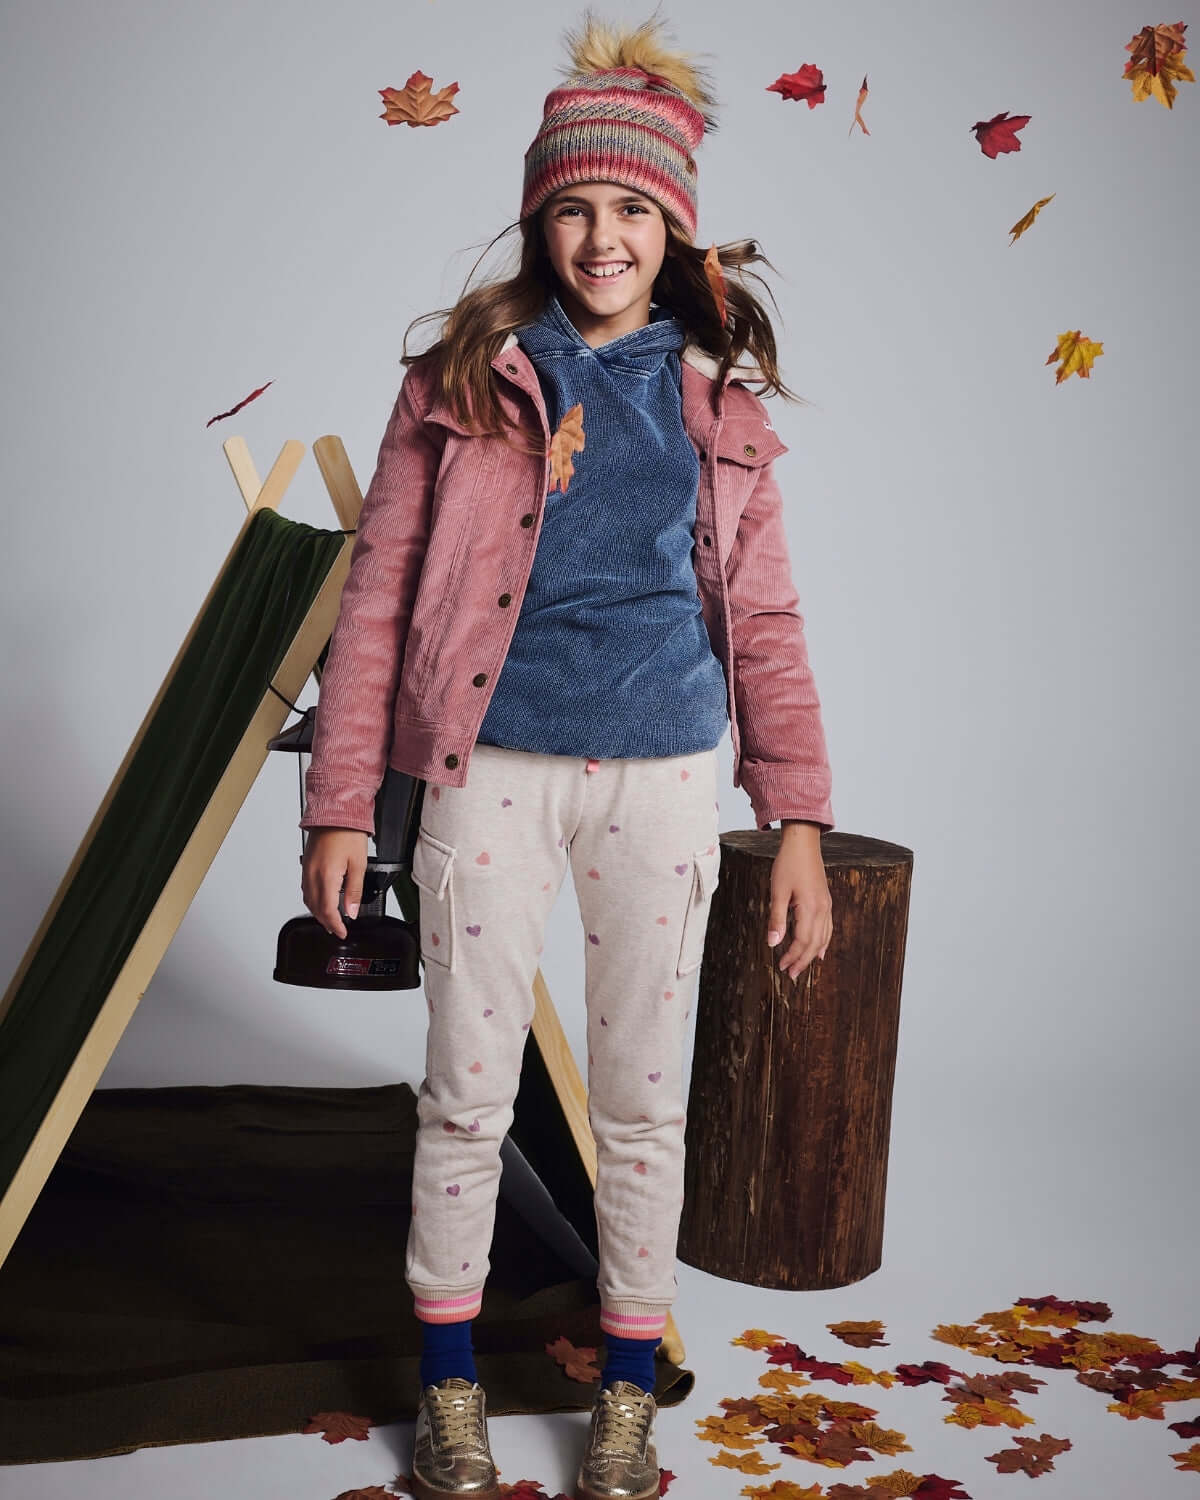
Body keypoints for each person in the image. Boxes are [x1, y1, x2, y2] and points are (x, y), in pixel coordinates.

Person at [298, 8, 835, 1498]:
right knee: (465, 1093)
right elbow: (378, 597)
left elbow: (767, 622)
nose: (605, 238)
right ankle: (450, 1389)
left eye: (634, 211)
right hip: (487, 780)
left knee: (642, 1104)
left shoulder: (718, 410)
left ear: (676, 230)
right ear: (542, 222)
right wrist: (340, 803)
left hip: (659, 787)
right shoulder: (457, 386)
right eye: (577, 208)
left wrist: (795, 816)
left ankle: (626, 1399)